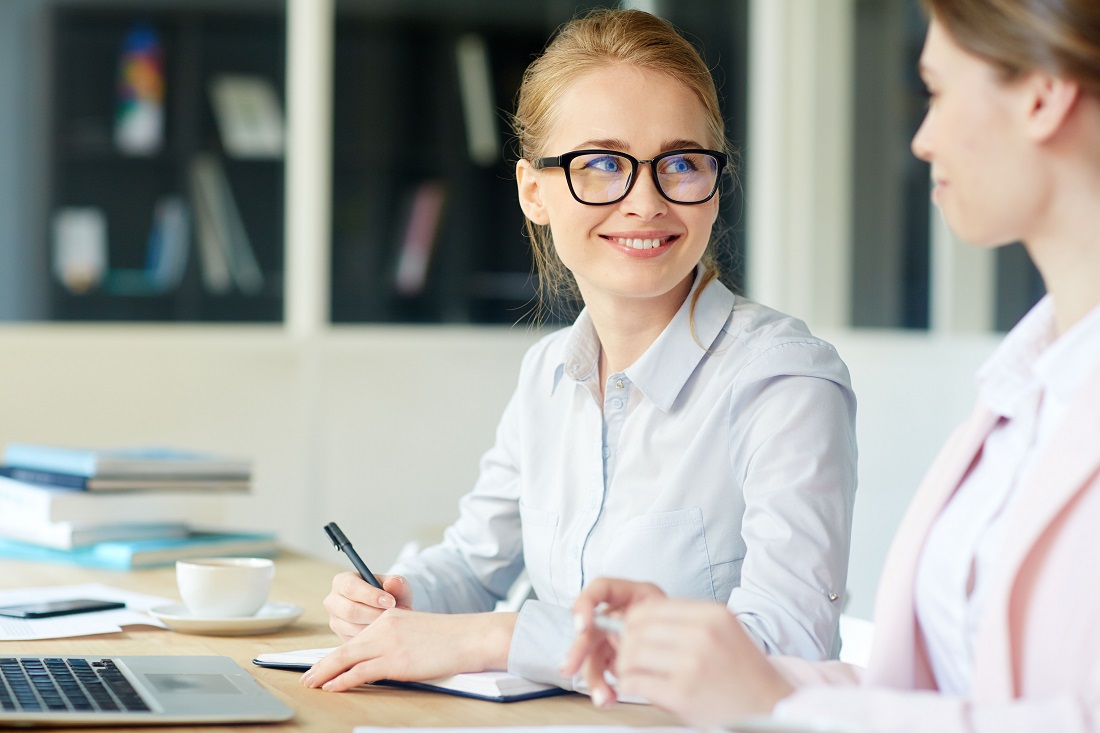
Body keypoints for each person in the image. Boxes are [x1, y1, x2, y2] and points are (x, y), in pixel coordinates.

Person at [564, 0, 1100, 729]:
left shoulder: (784, 371)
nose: (921, 140)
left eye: (936, 92)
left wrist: (774, 698)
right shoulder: (1030, 385)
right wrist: (700, 656)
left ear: (1042, 95)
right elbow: (945, 695)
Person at [301, 8, 857, 694]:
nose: (646, 201)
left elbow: (786, 646)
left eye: (682, 163)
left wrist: (499, 636)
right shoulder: (548, 373)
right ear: (533, 191)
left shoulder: (784, 379)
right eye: (602, 164)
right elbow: (475, 563)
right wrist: (397, 597)